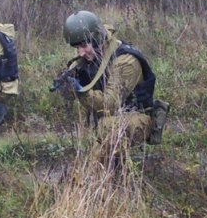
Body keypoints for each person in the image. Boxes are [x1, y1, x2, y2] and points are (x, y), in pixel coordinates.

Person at [58, 10, 169, 170]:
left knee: (98, 156)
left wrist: (82, 92)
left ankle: (96, 181)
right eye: (77, 47)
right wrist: (67, 86)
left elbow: (110, 103)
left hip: (136, 118)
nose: (81, 52)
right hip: (109, 122)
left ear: (97, 39)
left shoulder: (125, 62)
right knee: (105, 132)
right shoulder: (92, 56)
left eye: (84, 45)